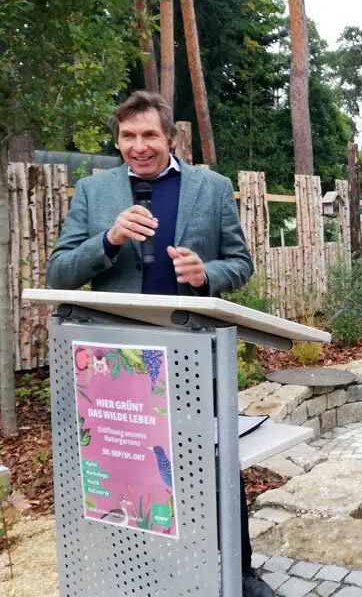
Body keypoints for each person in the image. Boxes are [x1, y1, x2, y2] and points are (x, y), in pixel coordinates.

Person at [46, 91, 272, 597]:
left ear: (170, 138)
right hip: (119, 367)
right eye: (128, 136)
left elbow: (240, 263)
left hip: (194, 355)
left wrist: (205, 273)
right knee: (135, 473)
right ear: (118, 140)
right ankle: (144, 572)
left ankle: (240, 571)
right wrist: (109, 240)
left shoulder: (210, 188)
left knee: (216, 465)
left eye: (149, 135)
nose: (139, 146)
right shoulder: (93, 191)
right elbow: (58, 271)